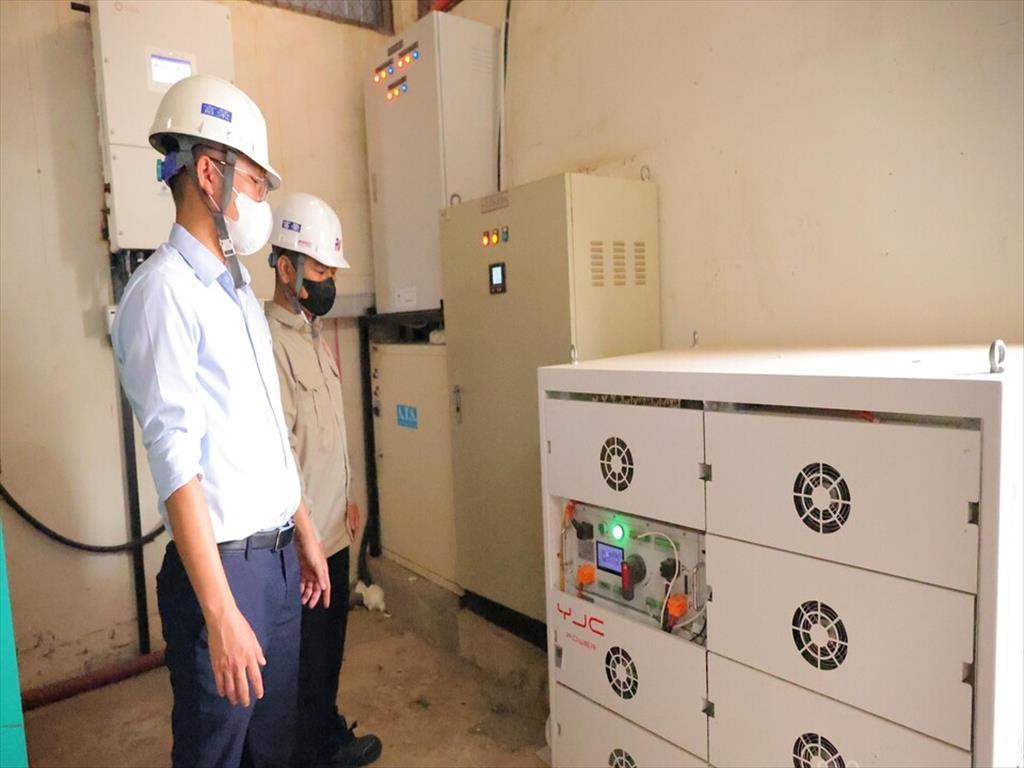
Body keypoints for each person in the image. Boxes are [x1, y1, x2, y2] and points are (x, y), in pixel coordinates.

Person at [111, 75, 330, 768]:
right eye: (257, 184)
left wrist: (303, 528)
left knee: (273, 745)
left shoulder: (236, 291)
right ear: (211, 174)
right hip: (225, 575)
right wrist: (219, 611)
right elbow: (175, 459)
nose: (261, 202)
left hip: (276, 563)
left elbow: (267, 430)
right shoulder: (163, 296)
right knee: (216, 751)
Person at [265, 193, 383, 767]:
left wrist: (350, 494)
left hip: (336, 528)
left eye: (333, 273)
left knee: (328, 650)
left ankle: (323, 734)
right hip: (303, 540)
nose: (328, 283)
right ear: (285, 269)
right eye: (319, 271)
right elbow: (281, 452)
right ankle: (306, 751)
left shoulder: (314, 336)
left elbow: (328, 432)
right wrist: (307, 528)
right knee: (302, 657)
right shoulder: (270, 343)